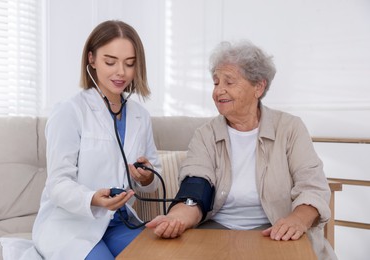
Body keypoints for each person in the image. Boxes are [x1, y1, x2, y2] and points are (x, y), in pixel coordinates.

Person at [146, 40, 337, 260]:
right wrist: (176, 218)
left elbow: (312, 186)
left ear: (258, 87)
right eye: (216, 82)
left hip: (275, 229)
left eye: (229, 81)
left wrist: (298, 219)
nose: (219, 91)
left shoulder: (290, 128)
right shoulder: (205, 134)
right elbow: (196, 186)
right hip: (217, 230)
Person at [32, 20, 161, 259]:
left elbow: (152, 178)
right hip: (71, 224)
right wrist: (92, 198)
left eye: (129, 63)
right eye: (110, 62)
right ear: (91, 59)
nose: (120, 72)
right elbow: (58, 184)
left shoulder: (140, 116)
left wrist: (147, 176)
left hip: (120, 222)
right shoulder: (70, 111)